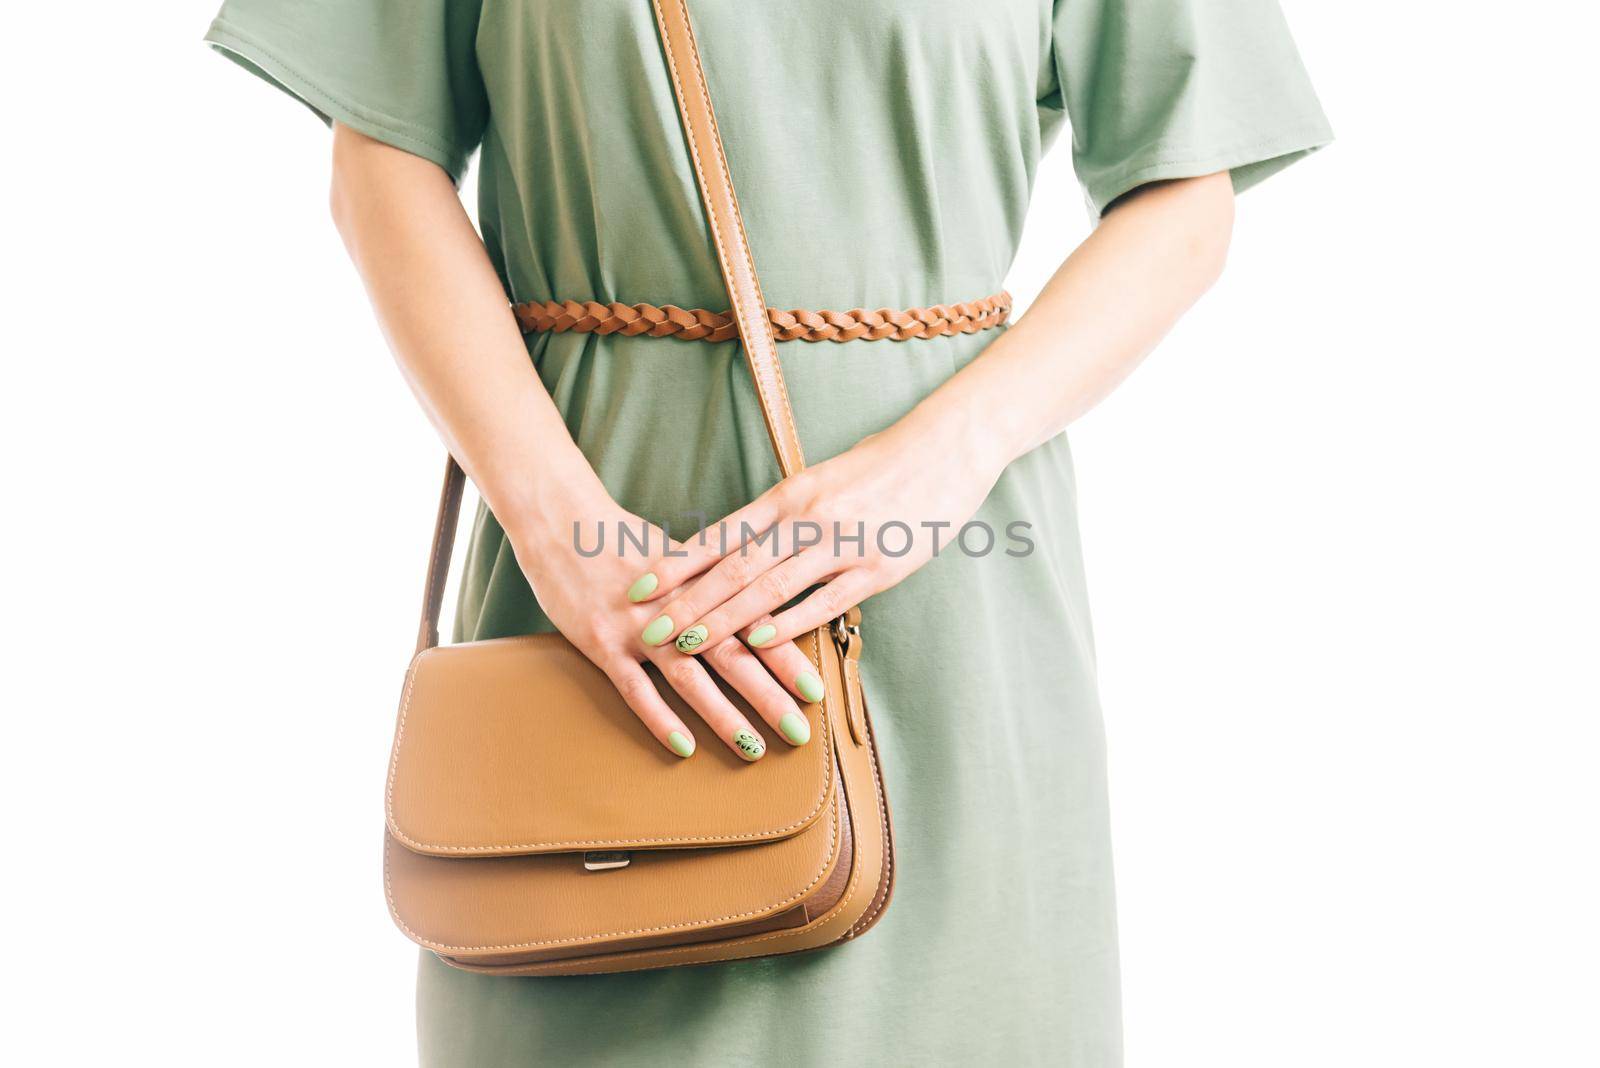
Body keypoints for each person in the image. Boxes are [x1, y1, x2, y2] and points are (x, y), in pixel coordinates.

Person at [204, 0, 1330, 1062]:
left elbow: (1187, 193)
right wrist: (558, 527)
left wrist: (946, 457)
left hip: (946, 596)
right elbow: (379, 159)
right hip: (591, 609)